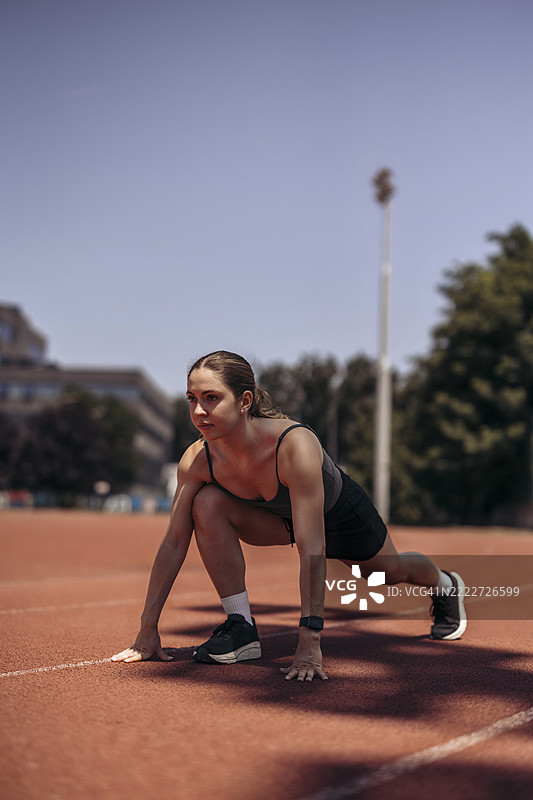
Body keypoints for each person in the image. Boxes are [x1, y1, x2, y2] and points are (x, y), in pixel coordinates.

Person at [112, 351, 467, 681]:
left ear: (244, 401)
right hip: (276, 521)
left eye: (211, 398)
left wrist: (309, 639)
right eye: (192, 399)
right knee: (206, 503)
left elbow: (312, 546)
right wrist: (147, 627)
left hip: (339, 514)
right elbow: (174, 542)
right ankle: (240, 627)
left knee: (390, 573)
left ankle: (445, 583)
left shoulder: (293, 444)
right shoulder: (198, 460)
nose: (199, 411)